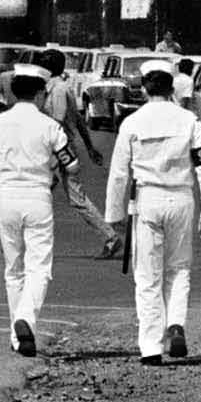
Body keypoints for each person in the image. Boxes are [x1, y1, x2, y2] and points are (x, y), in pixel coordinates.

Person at [104, 59, 201, 365]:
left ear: (143, 88)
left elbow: (118, 173)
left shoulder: (132, 122)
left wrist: (113, 216)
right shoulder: (189, 121)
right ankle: (176, 324)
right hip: (182, 198)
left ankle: (151, 347)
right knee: (179, 269)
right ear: (171, 88)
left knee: (147, 275)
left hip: (148, 200)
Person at [0, 63, 78, 358]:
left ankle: (18, 338)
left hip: (6, 198)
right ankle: (25, 320)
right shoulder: (49, 126)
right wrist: (52, 164)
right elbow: (71, 164)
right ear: (41, 92)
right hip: (38, 198)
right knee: (39, 267)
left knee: (13, 270)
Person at [36, 48, 123, 260]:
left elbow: (57, 122)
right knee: (39, 194)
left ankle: (111, 237)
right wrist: (90, 147)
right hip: (63, 148)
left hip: (58, 151)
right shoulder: (61, 87)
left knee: (74, 198)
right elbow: (78, 121)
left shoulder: (57, 91)